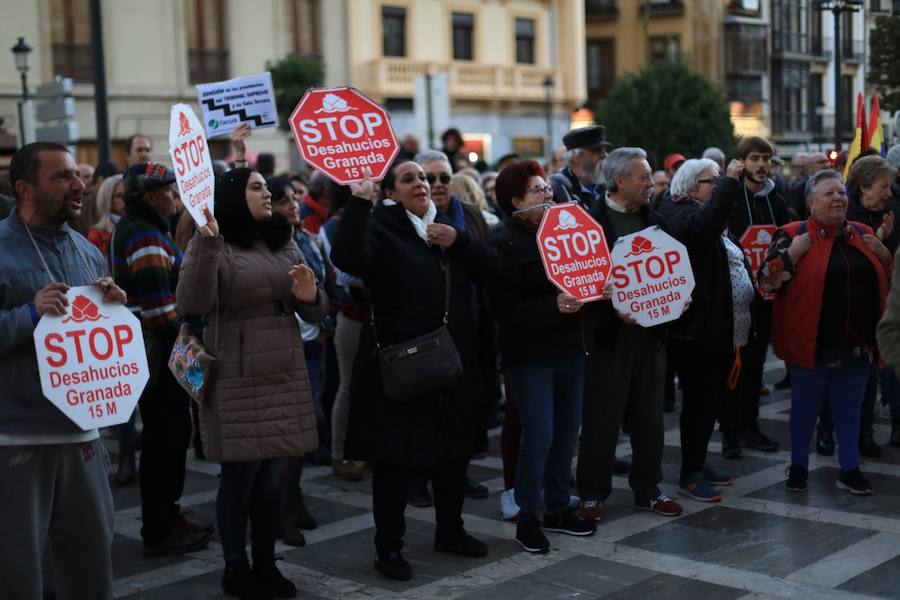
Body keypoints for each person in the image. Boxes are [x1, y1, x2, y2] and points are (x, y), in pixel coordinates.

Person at [330, 161, 496, 581]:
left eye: (425, 177)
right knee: (395, 462)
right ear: (391, 193)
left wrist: (460, 241)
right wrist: (357, 203)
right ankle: (388, 547)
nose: (422, 183)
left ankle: (451, 531)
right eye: (410, 179)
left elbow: (494, 268)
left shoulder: (447, 227)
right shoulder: (380, 227)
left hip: (452, 363)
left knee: (453, 454)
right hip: (403, 366)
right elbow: (348, 257)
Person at [177, 168, 327, 598]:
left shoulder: (280, 236)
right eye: (256, 187)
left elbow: (315, 309)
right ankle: (235, 567)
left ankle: (265, 561)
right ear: (232, 196)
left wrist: (310, 297)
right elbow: (192, 302)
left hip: (283, 370)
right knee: (240, 479)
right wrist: (207, 243)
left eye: (266, 187)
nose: (267, 194)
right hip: (238, 375)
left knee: (272, 480)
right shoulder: (213, 240)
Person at [0, 141, 126, 599]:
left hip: (83, 437)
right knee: (19, 574)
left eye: (77, 174)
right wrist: (29, 314)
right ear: (24, 189)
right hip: (18, 441)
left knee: (91, 563)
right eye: (62, 177)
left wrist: (113, 306)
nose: (79, 185)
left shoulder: (85, 249)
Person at [759, 169, 891, 496]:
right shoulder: (793, 233)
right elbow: (765, 281)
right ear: (811, 202)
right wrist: (792, 253)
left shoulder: (862, 233)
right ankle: (798, 467)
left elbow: (886, 280)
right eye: (829, 193)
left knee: (851, 410)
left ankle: (850, 469)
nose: (838, 199)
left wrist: (884, 255)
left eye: (841, 193)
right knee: (805, 410)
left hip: (858, 343)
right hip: (811, 343)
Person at [490, 159, 598, 553]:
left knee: (567, 433)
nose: (549, 193)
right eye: (538, 190)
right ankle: (528, 517)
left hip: (570, 349)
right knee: (539, 436)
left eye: (548, 187)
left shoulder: (565, 231)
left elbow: (583, 276)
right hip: (530, 356)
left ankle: (557, 505)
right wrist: (555, 306)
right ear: (516, 201)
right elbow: (504, 310)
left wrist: (597, 289)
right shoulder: (504, 242)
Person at [576, 147, 683, 521]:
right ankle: (592, 493)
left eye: (651, 175)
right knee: (601, 419)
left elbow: (673, 268)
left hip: (650, 336)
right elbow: (580, 284)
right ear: (619, 181)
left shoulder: (657, 220)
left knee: (649, 417)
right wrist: (608, 306)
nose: (651, 183)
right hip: (607, 338)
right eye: (644, 176)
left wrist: (679, 296)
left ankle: (648, 488)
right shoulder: (591, 225)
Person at [113, 162, 213, 554]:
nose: (174, 196)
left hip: (156, 356)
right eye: (169, 190)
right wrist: (190, 356)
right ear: (151, 196)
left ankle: (167, 516)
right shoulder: (145, 234)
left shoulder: (145, 228)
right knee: (165, 442)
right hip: (161, 357)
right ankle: (160, 528)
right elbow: (159, 312)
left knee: (167, 439)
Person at [658, 157, 753, 503]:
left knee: (709, 402)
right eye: (712, 181)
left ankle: (697, 461)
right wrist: (730, 183)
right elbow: (704, 228)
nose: (718, 185)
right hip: (694, 332)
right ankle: (690, 474)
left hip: (717, 329)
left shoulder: (701, 212)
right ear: (690, 186)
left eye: (718, 180)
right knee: (698, 403)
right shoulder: (678, 214)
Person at [415, 149, 493, 504]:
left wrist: (460, 241)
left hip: (467, 327)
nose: (437, 184)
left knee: (462, 413)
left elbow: (491, 264)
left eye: (444, 177)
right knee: (423, 414)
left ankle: (458, 476)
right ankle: (418, 480)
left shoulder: (471, 215)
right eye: (428, 178)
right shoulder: (402, 219)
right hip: (422, 333)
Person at [720, 136, 788, 459]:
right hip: (735, 299)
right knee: (733, 366)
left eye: (766, 158)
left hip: (766, 297)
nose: (761, 165)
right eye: (755, 158)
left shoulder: (777, 200)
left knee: (755, 367)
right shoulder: (731, 197)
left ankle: (749, 425)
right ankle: (729, 431)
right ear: (742, 162)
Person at [844, 155, 899, 457]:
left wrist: (884, 248)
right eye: (884, 186)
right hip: (845, 311)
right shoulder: (841, 213)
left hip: (880, 308)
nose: (889, 193)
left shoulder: (890, 212)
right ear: (864, 187)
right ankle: (829, 429)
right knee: (839, 374)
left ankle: (864, 431)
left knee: (870, 375)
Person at [549, 126, 612, 210]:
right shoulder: (557, 188)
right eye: (596, 150)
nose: (604, 154)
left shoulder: (606, 184)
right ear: (576, 157)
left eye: (604, 149)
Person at [87, 174, 124, 256]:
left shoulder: (141, 225)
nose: (126, 199)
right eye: (120, 196)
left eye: (128, 194)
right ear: (108, 200)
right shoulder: (96, 235)